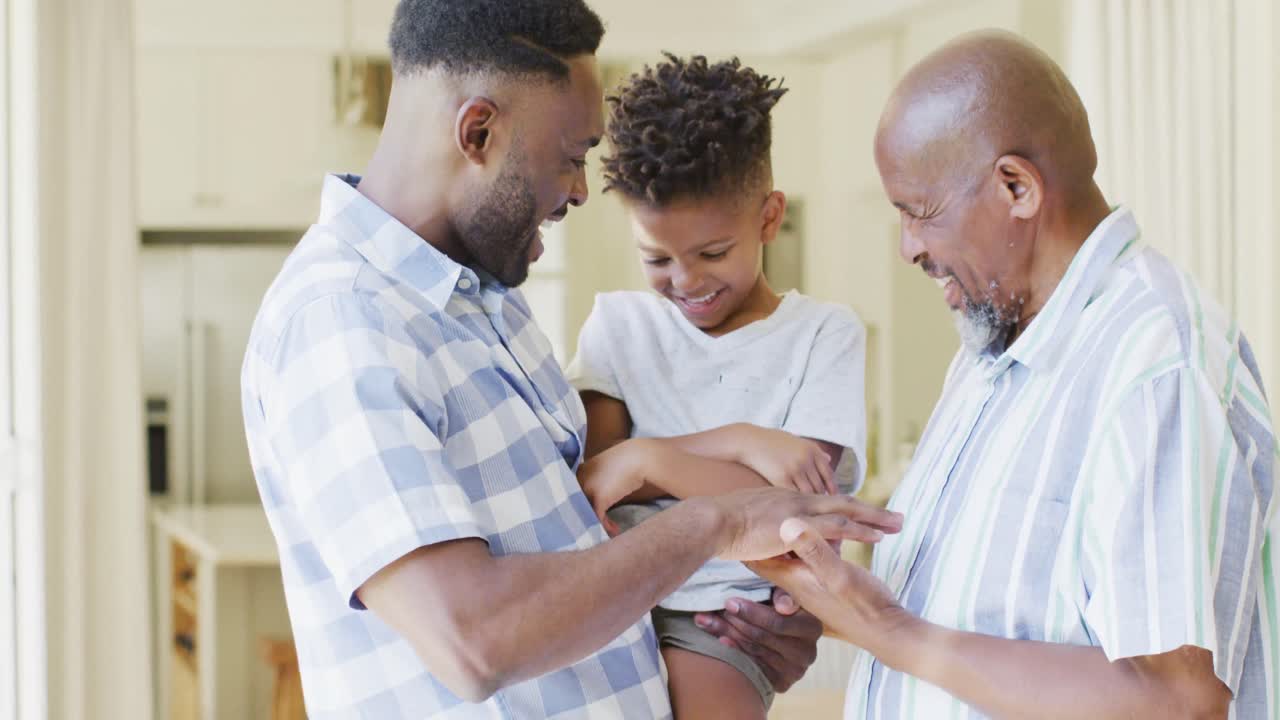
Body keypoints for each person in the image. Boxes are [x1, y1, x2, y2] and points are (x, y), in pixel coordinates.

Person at [238, 1, 903, 718]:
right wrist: (718, 524)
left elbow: (592, 546)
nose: (584, 190)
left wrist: (754, 641)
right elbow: (476, 640)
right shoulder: (344, 322)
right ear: (478, 132)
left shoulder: (481, 302)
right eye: (572, 157)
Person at [748, 30, 1278, 719]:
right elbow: (981, 629)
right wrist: (833, 611)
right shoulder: (990, 348)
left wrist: (888, 632)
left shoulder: (1156, 364)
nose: (909, 247)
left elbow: (1176, 700)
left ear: (1016, 187)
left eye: (920, 212)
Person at [565, 54, 869, 718]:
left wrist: (650, 459)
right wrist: (741, 442)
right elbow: (597, 481)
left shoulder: (824, 335)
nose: (687, 282)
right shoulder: (617, 325)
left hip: (724, 619)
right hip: (610, 598)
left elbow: (794, 515)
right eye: (657, 259)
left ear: (767, 219)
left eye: (712, 253)